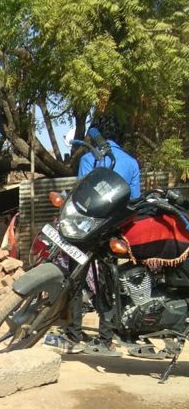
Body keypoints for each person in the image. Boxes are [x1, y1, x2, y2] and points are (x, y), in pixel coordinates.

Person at [64, 114, 141, 355]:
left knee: (75, 279)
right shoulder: (131, 163)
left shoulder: (89, 158)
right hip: (111, 231)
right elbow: (135, 200)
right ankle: (106, 338)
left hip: (85, 230)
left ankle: (74, 335)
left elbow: (80, 193)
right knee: (108, 281)